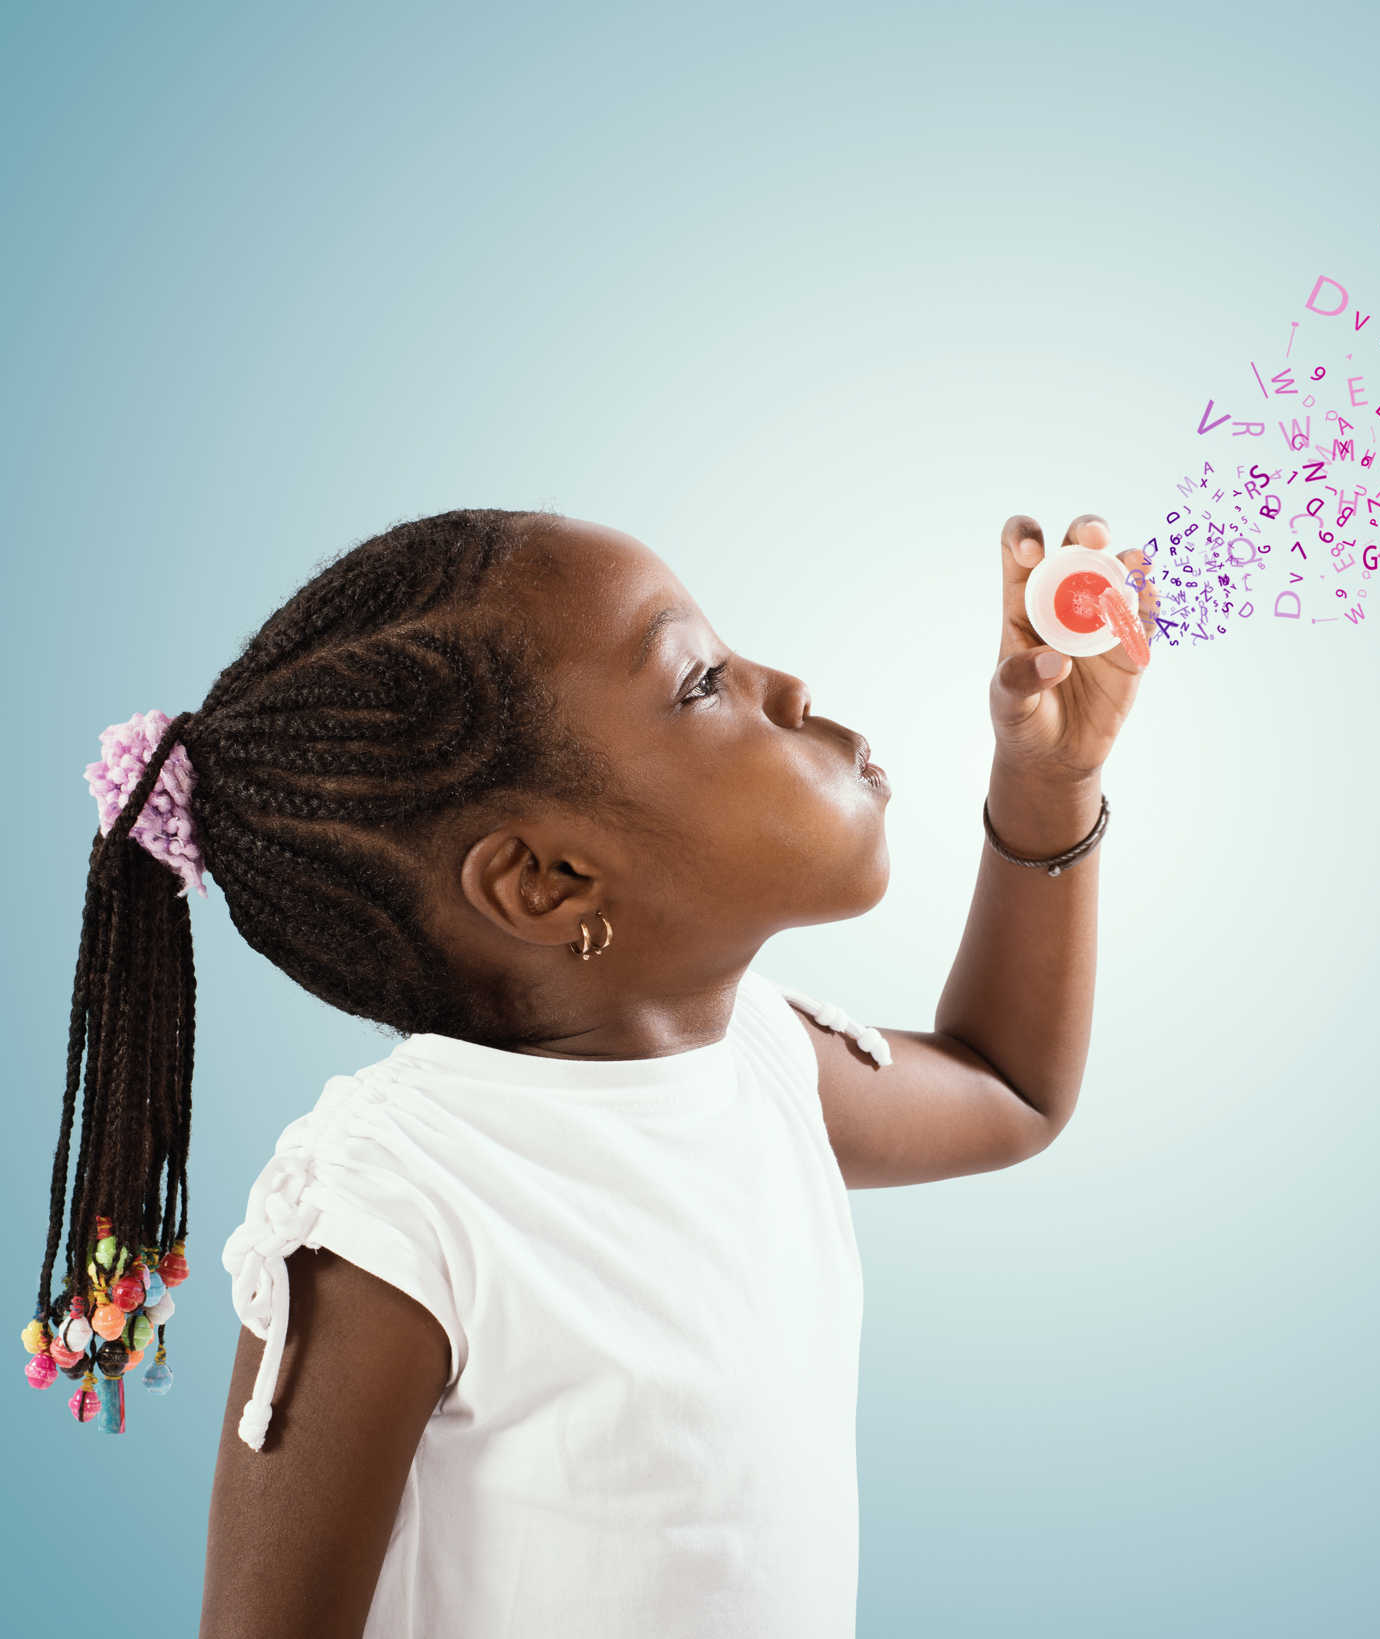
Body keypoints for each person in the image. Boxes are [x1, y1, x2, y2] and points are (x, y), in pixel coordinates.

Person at [21, 506, 1154, 1638]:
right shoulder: (397, 1206)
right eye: (703, 680)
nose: (791, 685)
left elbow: (1010, 1089)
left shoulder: (762, 1063)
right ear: (548, 880)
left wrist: (1049, 780)